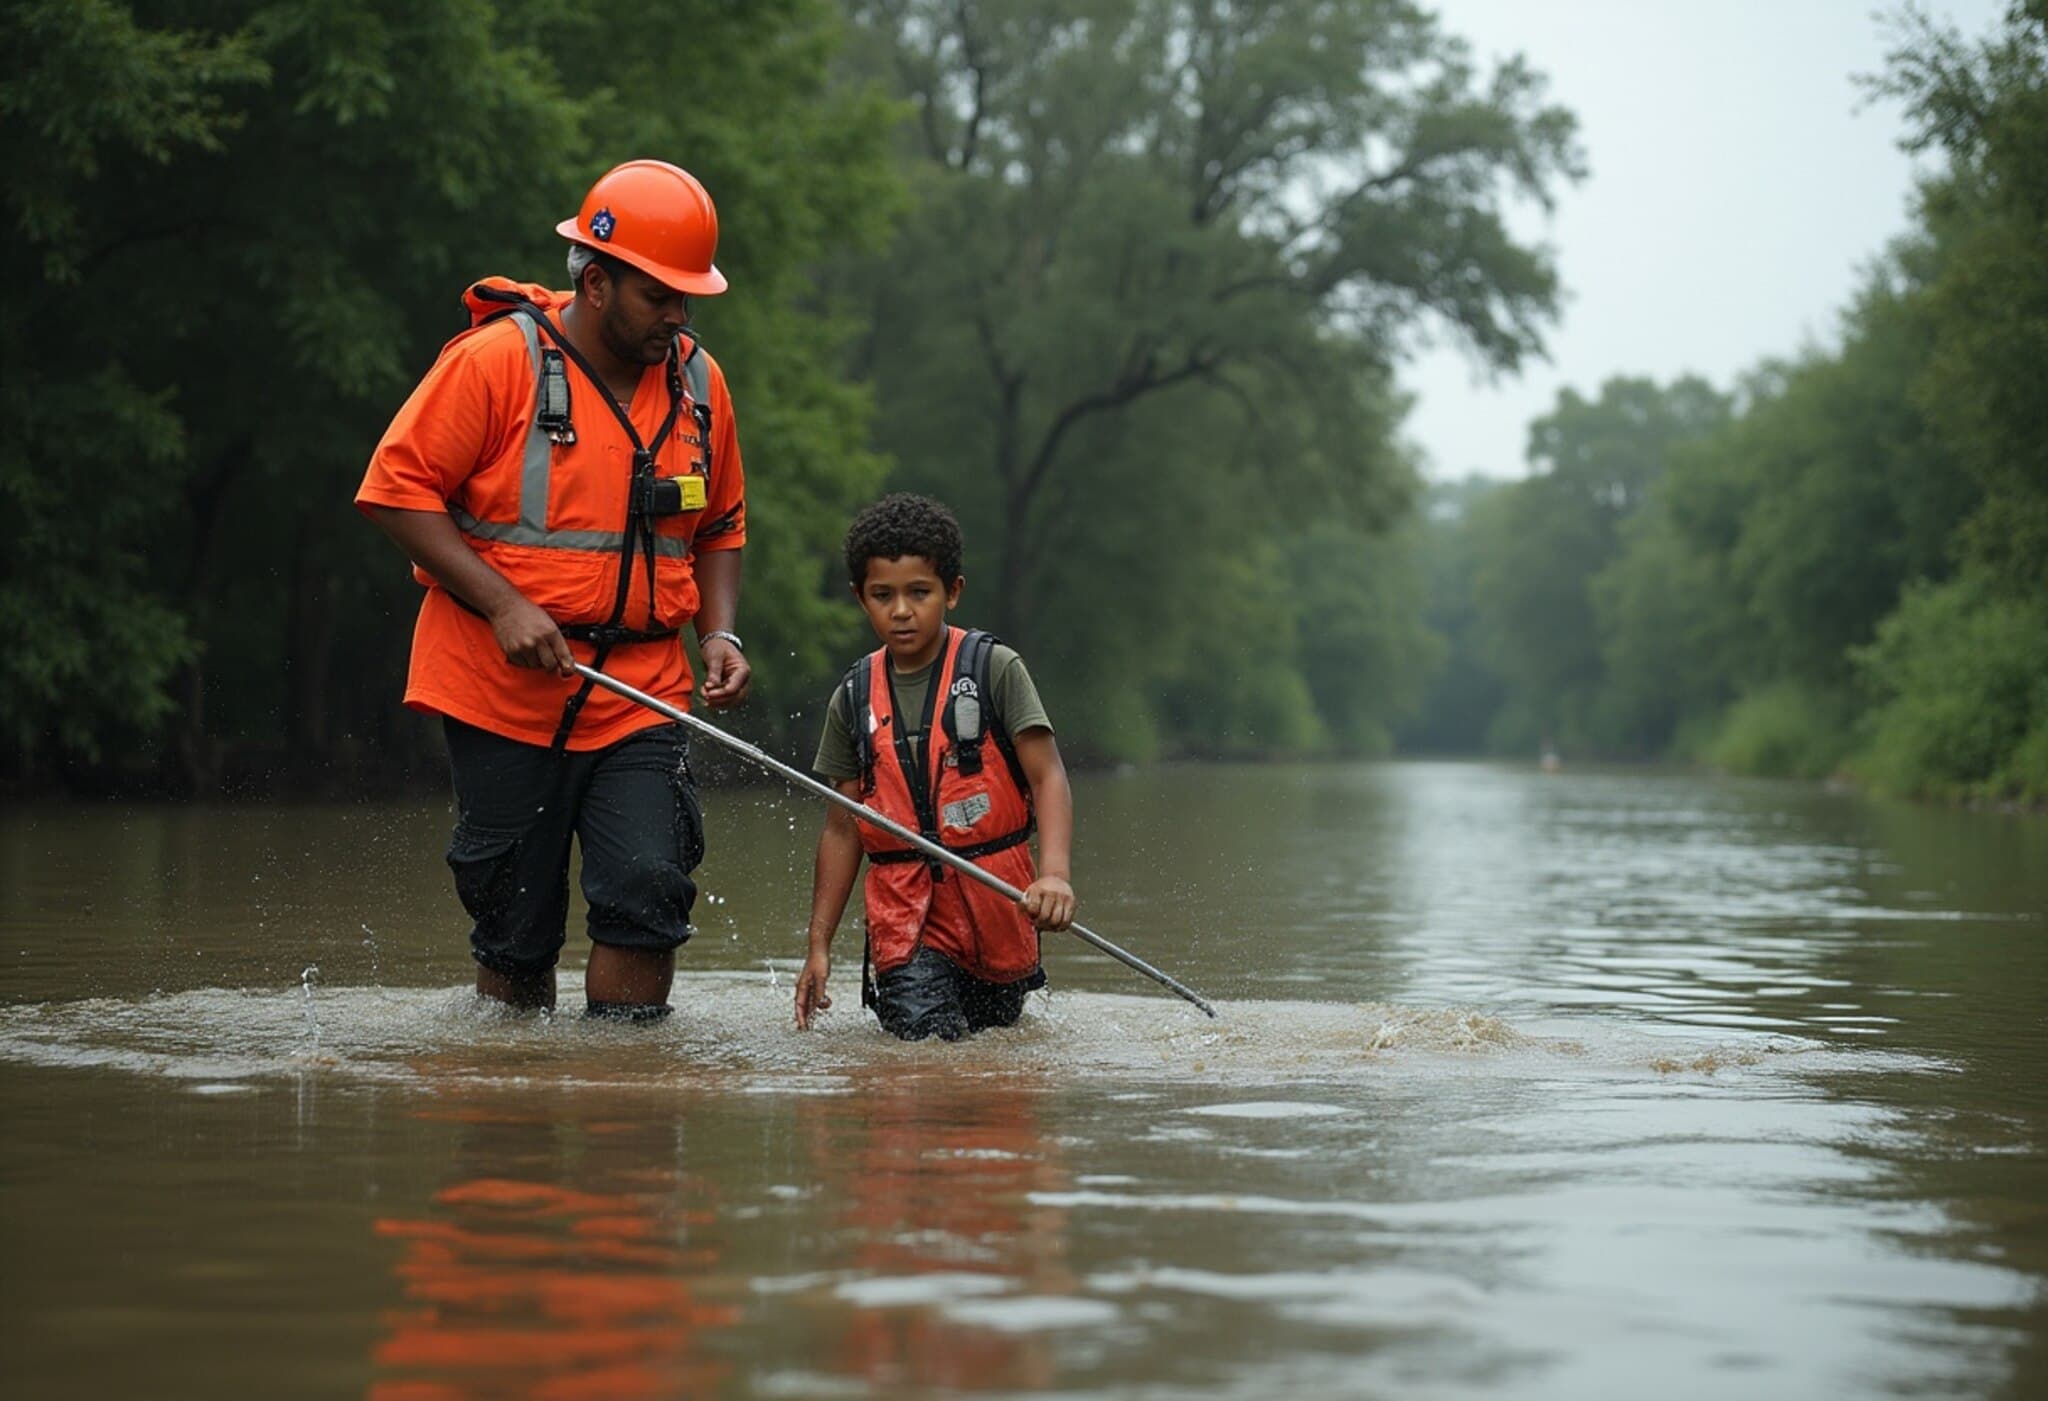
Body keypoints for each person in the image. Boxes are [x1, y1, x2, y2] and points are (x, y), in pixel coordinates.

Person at [355, 159, 750, 1019]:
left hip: (642, 693)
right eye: (662, 296)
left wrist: (721, 635)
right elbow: (393, 489)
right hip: (500, 692)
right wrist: (503, 604)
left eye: (689, 299)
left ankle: (630, 1112)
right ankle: (514, 1112)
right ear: (598, 282)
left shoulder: (699, 385)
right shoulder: (497, 362)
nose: (679, 317)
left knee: (648, 890)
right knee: (515, 927)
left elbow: (720, 525)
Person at [794, 494, 1076, 1041]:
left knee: (992, 1066)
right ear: (860, 598)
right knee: (924, 1053)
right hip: (905, 928)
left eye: (919, 593)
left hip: (999, 915)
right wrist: (819, 946)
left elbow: (1048, 777)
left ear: (953, 592)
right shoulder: (851, 699)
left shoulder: (997, 669)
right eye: (883, 595)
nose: (901, 610)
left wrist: (1056, 873)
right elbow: (841, 827)